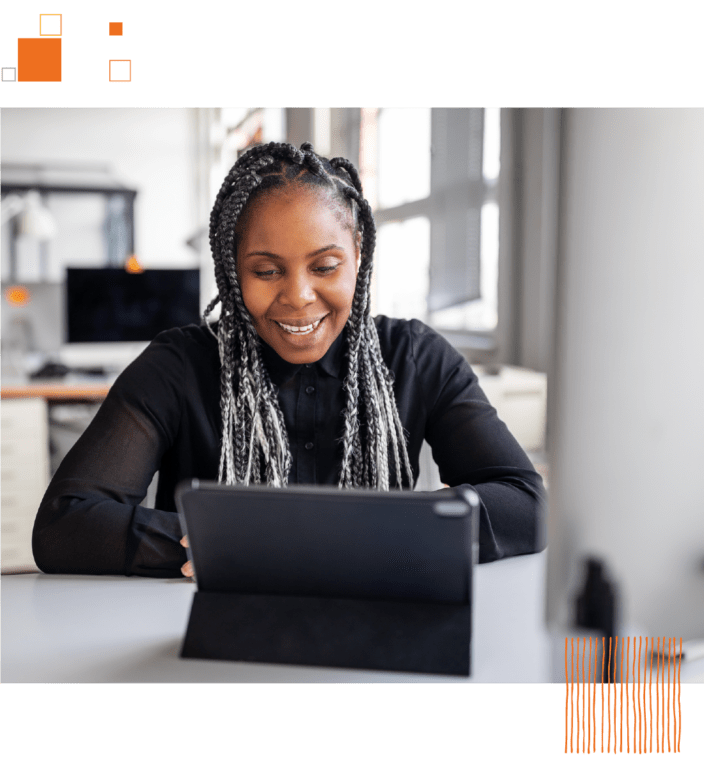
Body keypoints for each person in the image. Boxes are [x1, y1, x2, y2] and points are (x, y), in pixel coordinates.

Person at [33, 142, 545, 579]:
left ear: (358, 254)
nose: (299, 296)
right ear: (233, 271)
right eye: (266, 270)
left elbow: (526, 504)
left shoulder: (415, 357)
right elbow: (64, 525)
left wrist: (384, 533)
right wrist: (216, 541)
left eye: (324, 265)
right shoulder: (178, 367)